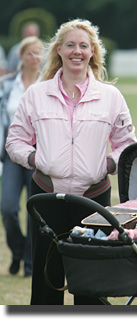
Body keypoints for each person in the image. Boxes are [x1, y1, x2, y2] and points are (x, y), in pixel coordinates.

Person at [6, 19, 137, 305]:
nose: (77, 51)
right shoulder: (36, 95)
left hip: (93, 199)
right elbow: (15, 141)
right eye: (70, 45)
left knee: (91, 282)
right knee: (46, 280)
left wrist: (107, 165)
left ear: (92, 52)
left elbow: (127, 144)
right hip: (47, 195)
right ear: (59, 51)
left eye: (83, 46)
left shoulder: (111, 97)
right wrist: (34, 158)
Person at [0, 36, 44, 277]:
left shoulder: (49, 84)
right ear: (21, 56)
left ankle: (29, 263)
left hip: (40, 155)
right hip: (11, 153)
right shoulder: (7, 85)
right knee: (7, 207)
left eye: (39, 53)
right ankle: (16, 250)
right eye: (30, 53)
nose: (34, 57)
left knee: (34, 211)